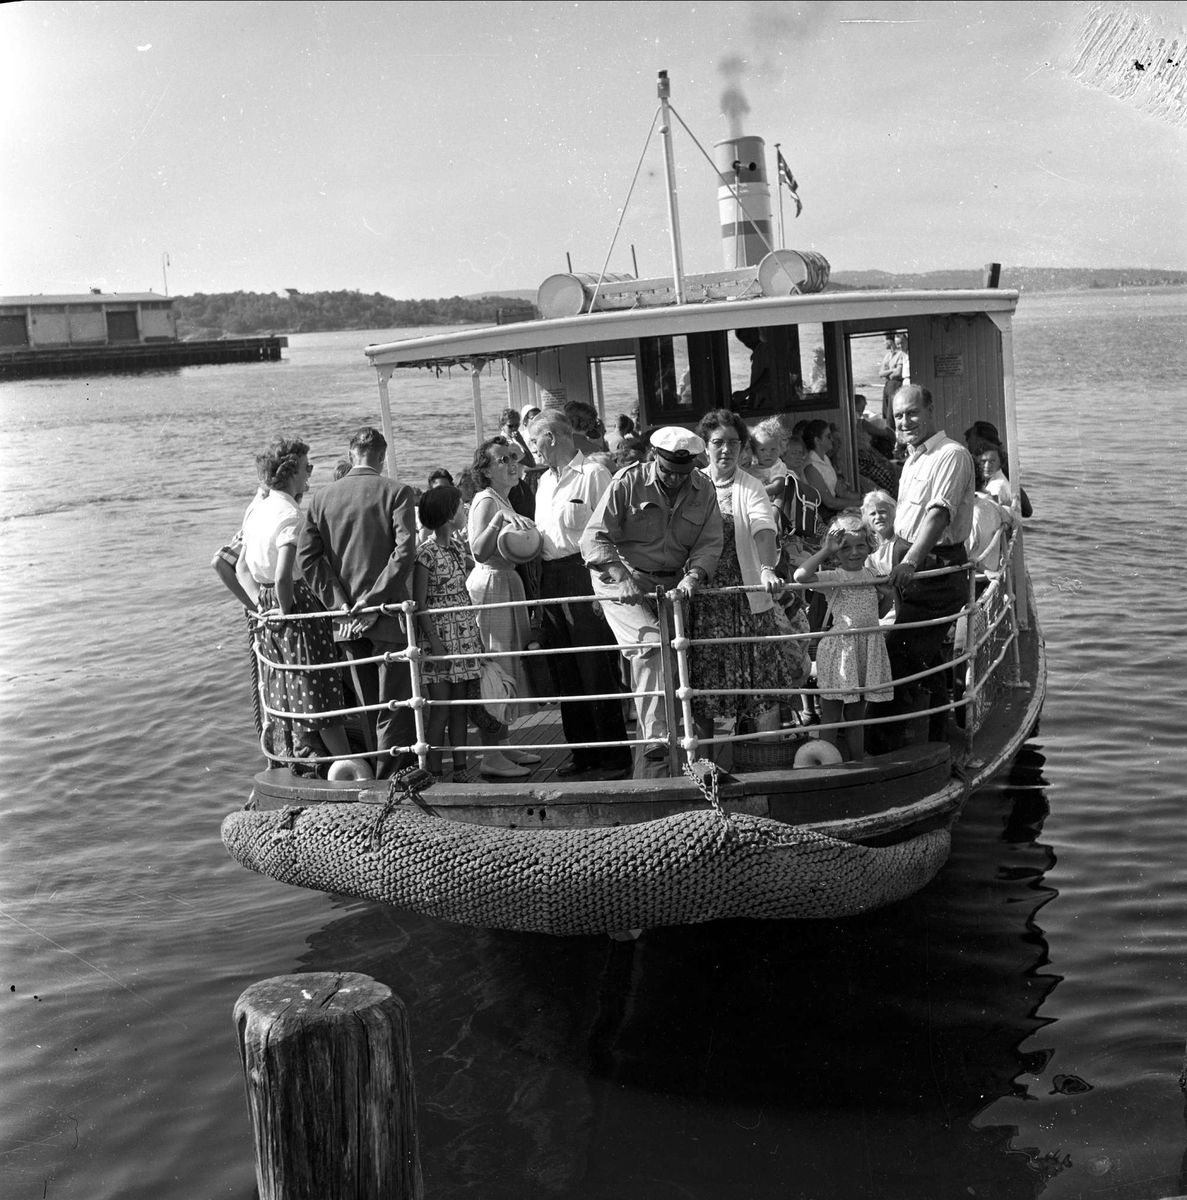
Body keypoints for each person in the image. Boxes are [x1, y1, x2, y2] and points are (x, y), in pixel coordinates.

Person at [580, 426, 723, 776]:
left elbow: (709, 541)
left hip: (671, 584)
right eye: (668, 471)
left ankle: (664, 748)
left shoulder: (704, 489)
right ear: (654, 457)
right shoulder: (627, 482)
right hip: (620, 581)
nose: (675, 480)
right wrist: (620, 576)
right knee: (650, 648)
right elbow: (594, 538)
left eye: (682, 473)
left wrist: (695, 575)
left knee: (668, 655)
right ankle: (657, 743)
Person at [296, 426, 417, 778]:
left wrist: (340, 603)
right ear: (382, 457)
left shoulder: (320, 498)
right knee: (395, 705)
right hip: (388, 613)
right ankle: (394, 778)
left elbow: (307, 559)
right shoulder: (396, 492)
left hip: (346, 620)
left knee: (367, 706)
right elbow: (405, 551)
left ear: (351, 455)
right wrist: (373, 599)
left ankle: (374, 779)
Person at [237, 436, 360, 773]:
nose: (310, 473)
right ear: (292, 472)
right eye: (308, 467)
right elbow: (283, 574)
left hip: (268, 602)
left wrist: (264, 608)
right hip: (295, 602)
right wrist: (288, 608)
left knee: (288, 688)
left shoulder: (257, 510)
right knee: (318, 691)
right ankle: (349, 765)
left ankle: (300, 757)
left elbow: (241, 568)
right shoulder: (289, 514)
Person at [689, 410, 809, 748]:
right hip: (705, 603)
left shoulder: (750, 485)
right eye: (717, 443)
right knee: (710, 688)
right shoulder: (693, 483)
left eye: (732, 443)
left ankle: (764, 757)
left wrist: (767, 568)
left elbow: (763, 529)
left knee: (759, 685)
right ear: (705, 447)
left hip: (745, 600)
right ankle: (713, 760)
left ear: (743, 447)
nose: (725, 450)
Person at [527, 410, 631, 777]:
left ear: (551, 438)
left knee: (595, 667)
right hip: (550, 577)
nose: (532, 450)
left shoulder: (593, 475)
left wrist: (606, 587)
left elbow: (614, 532)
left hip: (585, 572)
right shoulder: (543, 484)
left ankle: (614, 756)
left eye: (534, 441)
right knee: (564, 670)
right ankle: (582, 752)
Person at [876, 385, 976, 748]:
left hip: (934, 569)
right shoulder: (914, 457)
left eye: (913, 413)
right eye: (899, 415)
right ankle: (941, 738)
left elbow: (938, 516)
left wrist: (909, 561)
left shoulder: (951, 454)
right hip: (910, 567)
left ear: (932, 410)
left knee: (897, 658)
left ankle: (885, 749)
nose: (905, 421)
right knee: (929, 657)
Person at [466, 435, 541, 778]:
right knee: (496, 667)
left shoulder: (503, 497)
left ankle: (503, 744)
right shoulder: (486, 500)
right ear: (485, 470)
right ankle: (491, 756)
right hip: (492, 583)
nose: (513, 464)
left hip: (508, 581)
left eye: (514, 457)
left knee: (510, 661)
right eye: (503, 460)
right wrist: (499, 521)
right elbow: (478, 551)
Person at [794, 513, 894, 761]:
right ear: (837, 552)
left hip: (865, 650)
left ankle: (857, 761)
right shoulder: (835, 577)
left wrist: (889, 596)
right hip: (840, 651)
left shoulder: (872, 574)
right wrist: (827, 549)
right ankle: (826, 764)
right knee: (831, 715)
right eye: (845, 547)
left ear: (869, 544)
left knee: (855, 717)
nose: (854, 552)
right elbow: (800, 577)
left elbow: (877, 613)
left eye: (860, 545)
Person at [412, 485, 483, 779]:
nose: (463, 510)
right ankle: (433, 771)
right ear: (446, 514)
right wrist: (434, 642)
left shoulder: (456, 547)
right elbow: (420, 603)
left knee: (459, 707)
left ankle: (461, 768)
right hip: (439, 636)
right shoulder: (425, 554)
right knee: (440, 707)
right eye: (458, 506)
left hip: (463, 633)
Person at [802, 420, 863, 520]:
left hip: (833, 513)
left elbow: (841, 492)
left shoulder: (825, 459)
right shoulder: (810, 467)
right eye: (828, 436)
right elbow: (830, 502)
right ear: (817, 440)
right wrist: (861, 503)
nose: (832, 440)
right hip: (822, 518)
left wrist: (865, 497)